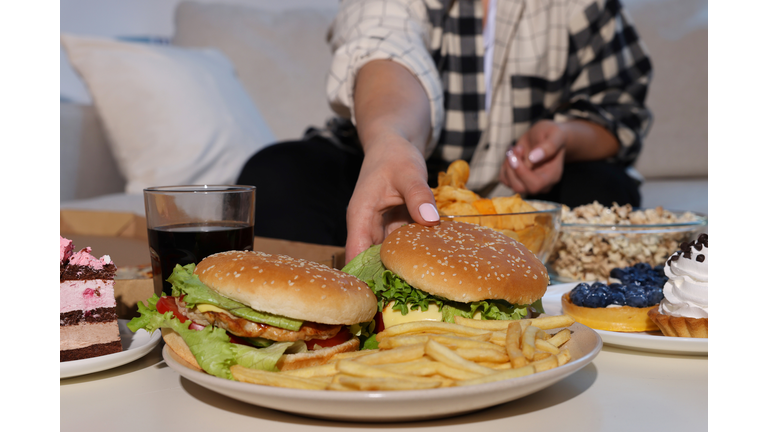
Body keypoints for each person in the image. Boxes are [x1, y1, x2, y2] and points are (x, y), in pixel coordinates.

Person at [237, 0, 652, 263]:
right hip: (392, 172)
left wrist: (566, 138)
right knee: (278, 174)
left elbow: (621, 109)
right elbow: (384, 46)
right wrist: (391, 140)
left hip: (522, 195)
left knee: (606, 187)